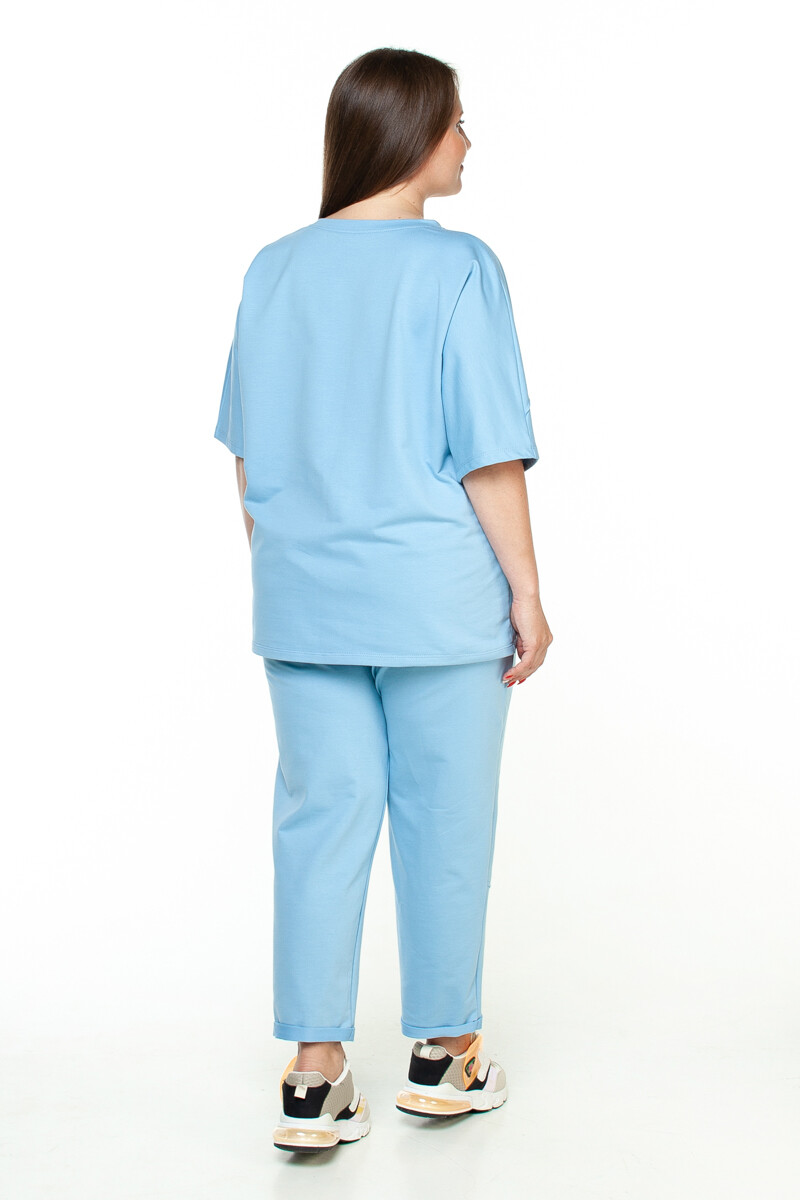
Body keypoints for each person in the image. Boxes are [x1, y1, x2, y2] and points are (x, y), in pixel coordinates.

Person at [214, 47, 553, 1154]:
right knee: (444, 819)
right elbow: (486, 450)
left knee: (320, 820)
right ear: (409, 132)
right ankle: (444, 1054)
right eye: (456, 123)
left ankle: (313, 1074)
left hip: (304, 600)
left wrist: (292, 565)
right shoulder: (458, 267)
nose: (467, 142)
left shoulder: (273, 268)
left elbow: (249, 454)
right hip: (434, 599)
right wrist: (527, 592)